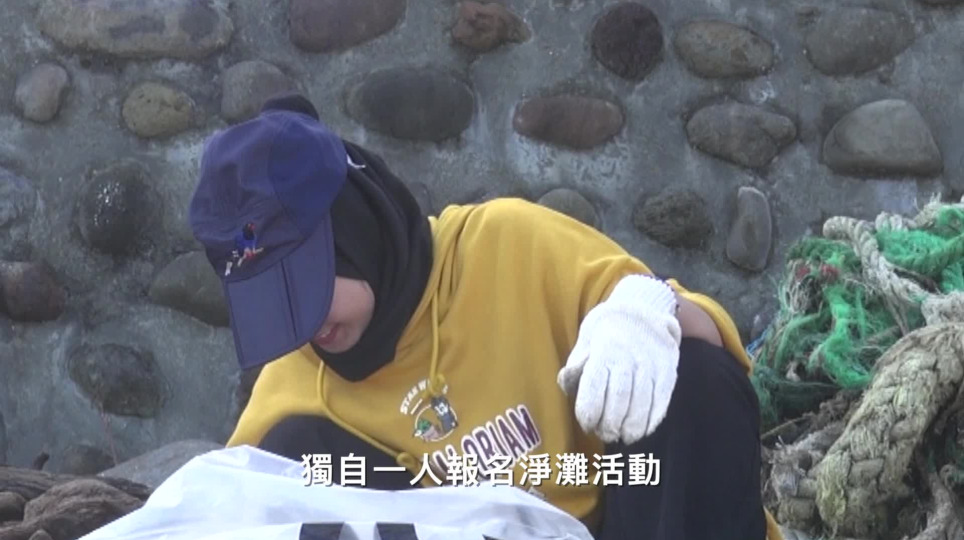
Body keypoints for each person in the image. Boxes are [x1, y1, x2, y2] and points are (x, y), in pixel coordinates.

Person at [188, 92, 781, 540]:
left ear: (357, 231)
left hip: (625, 520)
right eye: (276, 304)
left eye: (308, 286)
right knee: (294, 463)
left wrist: (645, 312)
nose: (305, 325)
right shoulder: (296, 387)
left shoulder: (504, 244)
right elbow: (222, 509)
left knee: (689, 376)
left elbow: (710, 351)